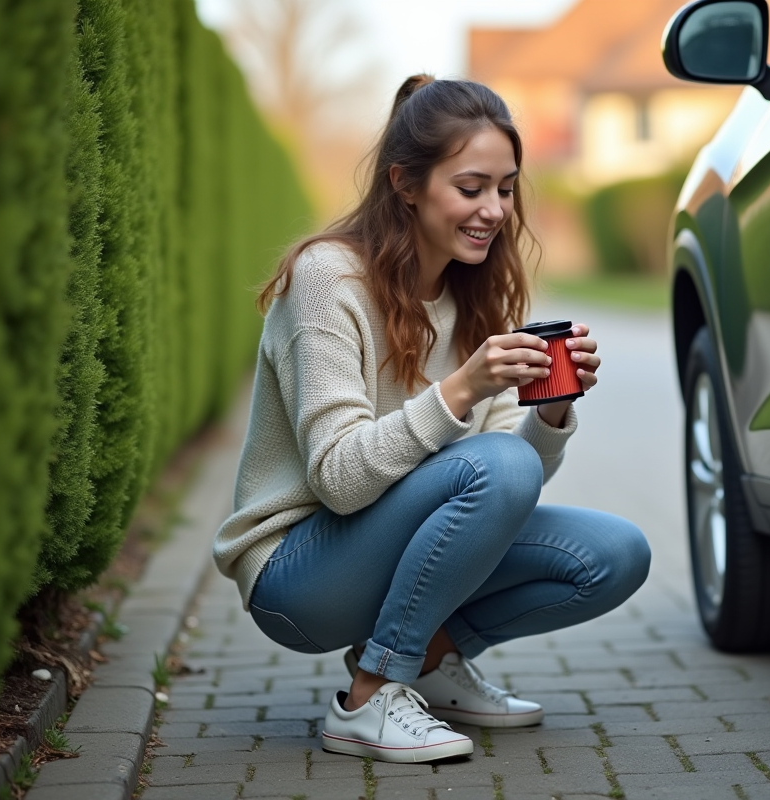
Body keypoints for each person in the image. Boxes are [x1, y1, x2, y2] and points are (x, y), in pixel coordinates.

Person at [212, 74, 652, 764]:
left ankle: (431, 662)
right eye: (471, 188)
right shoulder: (328, 280)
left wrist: (554, 406)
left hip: (392, 545)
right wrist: (461, 389)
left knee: (616, 555)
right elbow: (338, 480)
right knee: (495, 467)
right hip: (299, 572)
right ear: (406, 184)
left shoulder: (476, 298)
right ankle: (371, 693)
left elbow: (513, 480)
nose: (494, 210)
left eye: (505, 189)